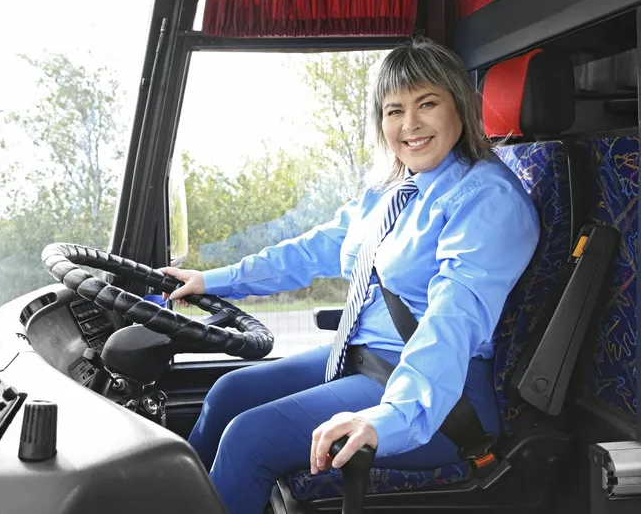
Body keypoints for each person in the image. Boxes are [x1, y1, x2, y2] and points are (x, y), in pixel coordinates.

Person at [160, 37, 540, 514]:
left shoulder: (487, 199)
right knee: (227, 393)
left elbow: (454, 320)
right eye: (393, 110)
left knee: (249, 437)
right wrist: (213, 280)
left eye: (427, 104)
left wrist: (389, 418)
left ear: (459, 108)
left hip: (438, 398)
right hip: (360, 358)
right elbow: (312, 250)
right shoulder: (393, 192)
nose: (410, 125)